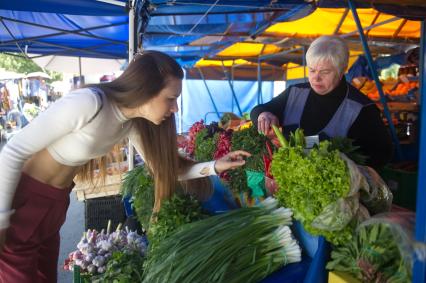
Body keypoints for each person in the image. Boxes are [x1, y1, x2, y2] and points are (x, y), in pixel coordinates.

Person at [0, 51, 250, 282]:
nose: (174, 109)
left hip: (55, 205)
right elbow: (13, 151)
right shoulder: (89, 103)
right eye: (171, 99)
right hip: (22, 203)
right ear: (147, 90)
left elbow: (164, 169)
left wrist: (215, 166)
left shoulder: (130, 123)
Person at [251, 35, 392, 169]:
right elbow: (259, 109)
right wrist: (264, 114)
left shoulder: (362, 109)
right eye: (312, 70)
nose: (316, 79)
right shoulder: (294, 93)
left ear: (342, 70)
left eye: (324, 72)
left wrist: (342, 164)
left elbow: (381, 155)